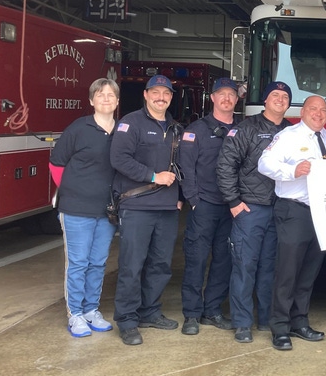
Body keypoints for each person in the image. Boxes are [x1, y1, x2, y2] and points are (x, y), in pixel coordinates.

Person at [258, 95, 326, 351]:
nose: (318, 114)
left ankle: (299, 321)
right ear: (302, 112)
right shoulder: (288, 136)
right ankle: (280, 326)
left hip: (321, 213)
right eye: (313, 109)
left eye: (323, 110)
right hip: (295, 210)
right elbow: (264, 164)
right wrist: (293, 171)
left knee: (309, 271)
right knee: (287, 272)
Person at [217, 81, 293, 343]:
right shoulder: (246, 128)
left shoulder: (292, 132)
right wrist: (234, 202)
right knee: (244, 265)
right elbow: (226, 166)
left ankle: (265, 318)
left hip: (280, 209)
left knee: (270, 267)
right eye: (275, 95)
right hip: (250, 208)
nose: (280, 100)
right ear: (265, 100)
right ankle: (242, 322)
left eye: (285, 97)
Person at [111, 74, 183, 346]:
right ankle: (127, 320)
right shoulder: (130, 123)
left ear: (171, 97)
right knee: (132, 265)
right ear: (145, 94)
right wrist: (153, 176)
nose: (161, 97)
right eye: (155, 92)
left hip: (167, 207)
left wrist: (180, 197)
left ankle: (150, 312)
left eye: (166, 93)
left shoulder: (177, 128)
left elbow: (181, 166)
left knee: (161, 265)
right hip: (138, 205)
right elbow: (118, 159)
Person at [49, 78, 119, 337]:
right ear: (91, 100)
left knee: (98, 262)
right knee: (77, 263)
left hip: (107, 211)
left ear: (117, 101)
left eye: (111, 95)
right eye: (100, 95)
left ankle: (91, 310)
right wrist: (70, 191)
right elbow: (56, 164)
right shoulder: (78, 128)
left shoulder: (121, 131)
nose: (106, 98)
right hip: (76, 209)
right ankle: (75, 314)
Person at [177, 78, 239, 336]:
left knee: (224, 260)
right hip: (204, 205)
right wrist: (193, 199)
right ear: (212, 98)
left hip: (231, 207)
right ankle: (191, 314)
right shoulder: (196, 130)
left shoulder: (242, 130)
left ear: (237, 99)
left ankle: (212, 310)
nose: (226, 98)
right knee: (196, 260)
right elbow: (185, 167)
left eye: (231, 94)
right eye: (221, 94)